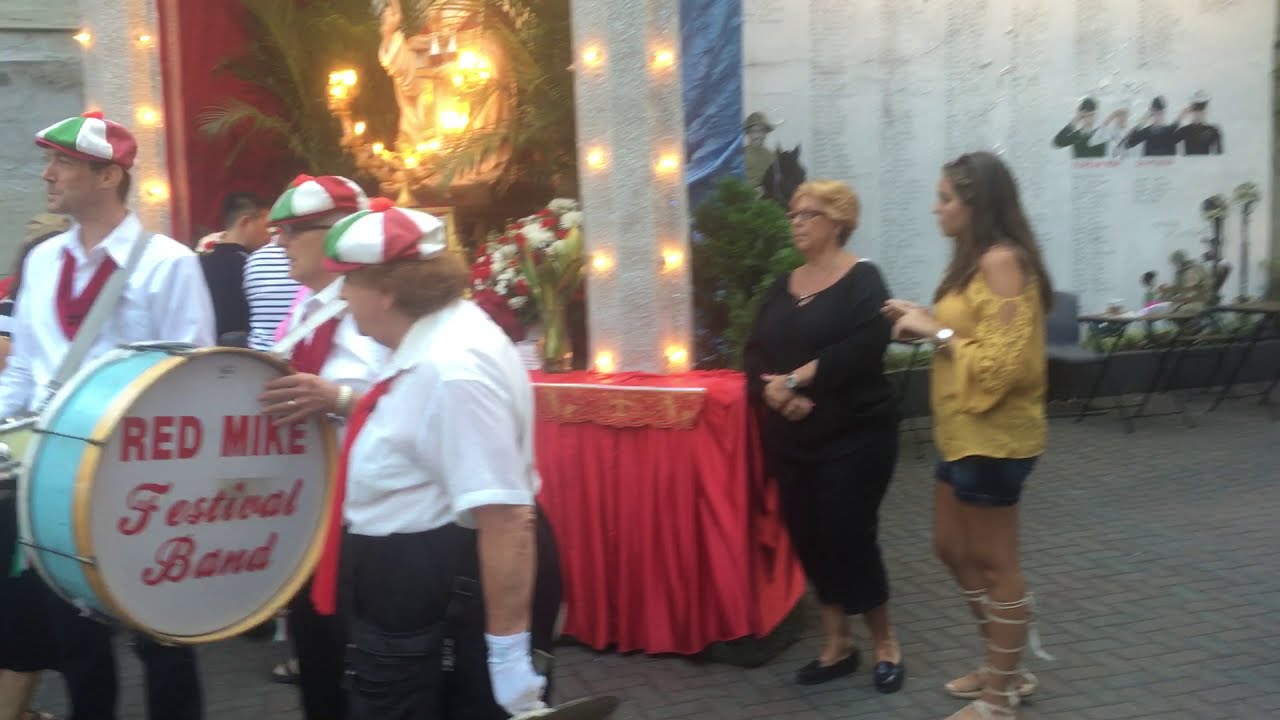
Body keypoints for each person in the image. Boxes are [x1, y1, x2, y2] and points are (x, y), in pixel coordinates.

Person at [314, 200, 584, 719]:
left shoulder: (451, 368)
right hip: (413, 586)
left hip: (429, 592)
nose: (342, 297)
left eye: (349, 282)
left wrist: (506, 658)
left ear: (388, 290)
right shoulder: (438, 335)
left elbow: (505, 518)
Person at [0, 111, 215, 719]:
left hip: (139, 482)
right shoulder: (42, 261)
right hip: (52, 474)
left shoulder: (167, 262)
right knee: (77, 643)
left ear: (108, 175)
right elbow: (25, 370)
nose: (47, 174)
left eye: (63, 163)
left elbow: (192, 382)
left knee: (162, 639)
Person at [883, 151, 1054, 719]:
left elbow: (1003, 366)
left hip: (994, 439)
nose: (936, 208)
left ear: (976, 204)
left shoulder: (1003, 261)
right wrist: (924, 321)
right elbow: (966, 334)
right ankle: (1003, 664)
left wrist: (937, 328)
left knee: (994, 564)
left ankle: (999, 696)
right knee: (950, 548)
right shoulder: (975, 260)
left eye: (946, 198)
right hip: (961, 432)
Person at [743, 180, 904, 692]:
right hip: (791, 438)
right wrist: (773, 393)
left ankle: (884, 643)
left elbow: (865, 347)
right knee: (809, 535)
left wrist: (799, 378)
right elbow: (754, 352)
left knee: (849, 535)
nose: (795, 222)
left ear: (836, 221)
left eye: (806, 214)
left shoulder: (863, 281)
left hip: (854, 435)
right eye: (792, 214)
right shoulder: (782, 284)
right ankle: (837, 645)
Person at [256, 174, 386, 720]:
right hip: (309, 514)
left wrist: (336, 398)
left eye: (291, 231)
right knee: (318, 664)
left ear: (336, 233)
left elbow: (415, 407)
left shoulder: (378, 305)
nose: (278, 243)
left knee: (364, 668)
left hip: (367, 523)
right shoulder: (305, 306)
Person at [199, 192, 272, 341]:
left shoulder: (199, 263)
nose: (269, 235)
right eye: (266, 227)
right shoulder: (254, 266)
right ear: (246, 222)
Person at [1174, 91, 1224, 156]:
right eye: (1196, 110)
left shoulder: (1213, 131)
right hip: (1188, 165)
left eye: (1201, 110)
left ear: (1205, 111)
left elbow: (1219, 155)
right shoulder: (1184, 131)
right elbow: (1168, 140)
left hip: (1207, 165)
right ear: (1192, 111)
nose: (1199, 113)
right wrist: (1180, 117)